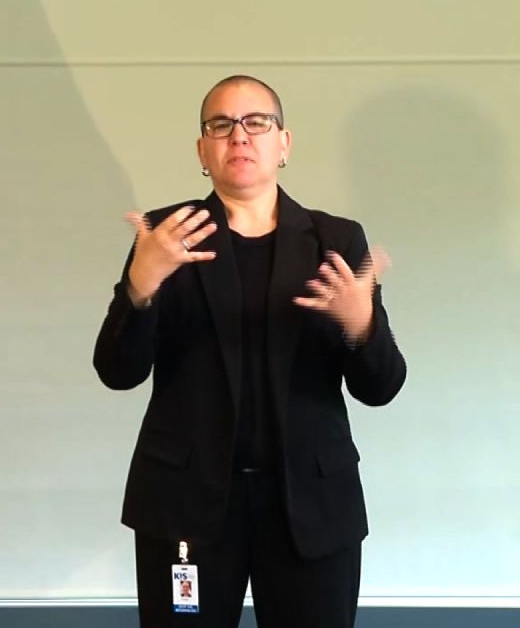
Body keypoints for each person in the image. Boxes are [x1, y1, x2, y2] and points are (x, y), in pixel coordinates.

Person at [93, 75, 406, 627]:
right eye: (221, 125)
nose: (239, 136)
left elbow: (380, 388)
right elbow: (118, 373)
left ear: (283, 144)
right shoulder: (168, 237)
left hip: (310, 503)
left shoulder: (336, 241)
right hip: (186, 501)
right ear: (202, 151)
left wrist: (362, 327)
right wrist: (138, 291)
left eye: (256, 122)